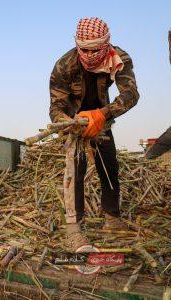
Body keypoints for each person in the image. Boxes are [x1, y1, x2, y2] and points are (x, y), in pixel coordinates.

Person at [49, 18, 139, 248]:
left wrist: (103, 115)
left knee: (109, 167)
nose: (89, 54)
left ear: (106, 45)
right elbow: (56, 108)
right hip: (73, 123)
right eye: (85, 50)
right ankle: (74, 228)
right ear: (78, 45)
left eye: (95, 50)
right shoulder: (64, 65)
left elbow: (131, 95)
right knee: (74, 173)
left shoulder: (118, 59)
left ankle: (112, 218)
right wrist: (71, 124)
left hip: (102, 119)